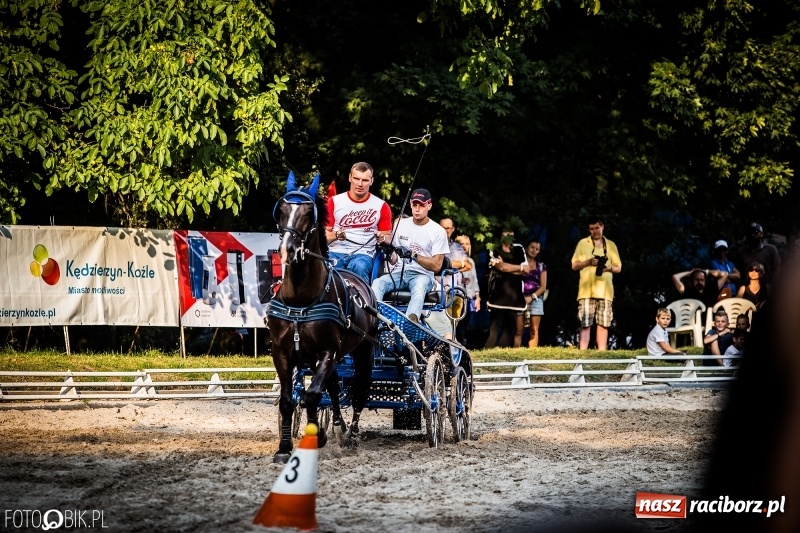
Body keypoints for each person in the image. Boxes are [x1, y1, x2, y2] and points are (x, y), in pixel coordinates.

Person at [371, 189, 449, 323]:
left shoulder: (438, 231)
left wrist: (413, 255)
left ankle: (410, 323)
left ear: (429, 206)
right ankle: (374, 320)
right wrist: (386, 246)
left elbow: (436, 266)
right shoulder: (399, 224)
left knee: (419, 289)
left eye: (421, 205)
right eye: (414, 205)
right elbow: (394, 259)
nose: (417, 209)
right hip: (399, 273)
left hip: (422, 275)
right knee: (378, 283)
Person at [325, 161, 392, 282]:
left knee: (359, 266)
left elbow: (388, 237)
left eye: (365, 180)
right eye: (356, 179)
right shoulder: (333, 201)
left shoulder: (381, 206)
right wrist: (335, 235)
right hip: (335, 251)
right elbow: (322, 236)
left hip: (363, 254)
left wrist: (382, 238)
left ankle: (361, 300)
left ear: (371, 181)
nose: (360, 184)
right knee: (326, 268)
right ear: (350, 178)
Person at [570, 216, 622, 350]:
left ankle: (602, 353)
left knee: (603, 323)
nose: (595, 231)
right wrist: (588, 262)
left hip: (605, 291)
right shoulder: (583, 243)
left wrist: (606, 267)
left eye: (597, 228)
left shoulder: (610, 245)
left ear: (602, 227)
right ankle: (582, 353)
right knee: (585, 323)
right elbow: (574, 266)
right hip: (586, 290)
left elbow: (618, 267)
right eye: (592, 229)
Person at [484, 230, 529, 348]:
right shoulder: (494, 247)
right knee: (495, 326)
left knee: (509, 328)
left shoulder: (519, 248)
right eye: (505, 232)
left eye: (511, 233)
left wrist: (508, 267)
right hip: (498, 295)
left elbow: (527, 269)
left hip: (515, 296)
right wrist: (519, 269)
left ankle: (503, 354)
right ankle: (488, 352)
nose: (508, 235)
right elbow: (500, 267)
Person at [454, 234, 480, 345]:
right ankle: (457, 346)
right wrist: (461, 280)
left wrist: (477, 297)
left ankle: (463, 346)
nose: (464, 246)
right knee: (457, 324)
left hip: (469, 297)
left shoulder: (471, 261)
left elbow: (475, 280)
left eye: (467, 244)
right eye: (461, 244)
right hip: (457, 295)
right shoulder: (454, 260)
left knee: (466, 324)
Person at [521, 240, 547, 348]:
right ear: (527, 248)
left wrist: (531, 297)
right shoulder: (520, 264)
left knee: (534, 329)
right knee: (519, 328)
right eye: (532, 247)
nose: (534, 250)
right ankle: (515, 351)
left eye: (537, 249)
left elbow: (543, 286)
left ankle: (532, 353)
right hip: (520, 298)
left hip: (536, 299)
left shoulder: (541, 266)